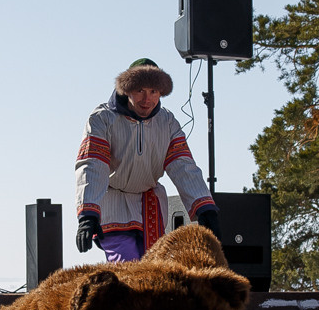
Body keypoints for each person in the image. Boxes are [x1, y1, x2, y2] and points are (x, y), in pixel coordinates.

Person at [74, 59, 217, 262]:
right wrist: (88, 214)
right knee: (128, 267)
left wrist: (204, 207)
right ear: (127, 89)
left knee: (153, 272)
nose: (147, 99)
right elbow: (92, 165)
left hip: (150, 206)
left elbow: (183, 166)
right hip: (114, 205)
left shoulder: (167, 122)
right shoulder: (103, 119)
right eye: (140, 90)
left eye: (154, 92)